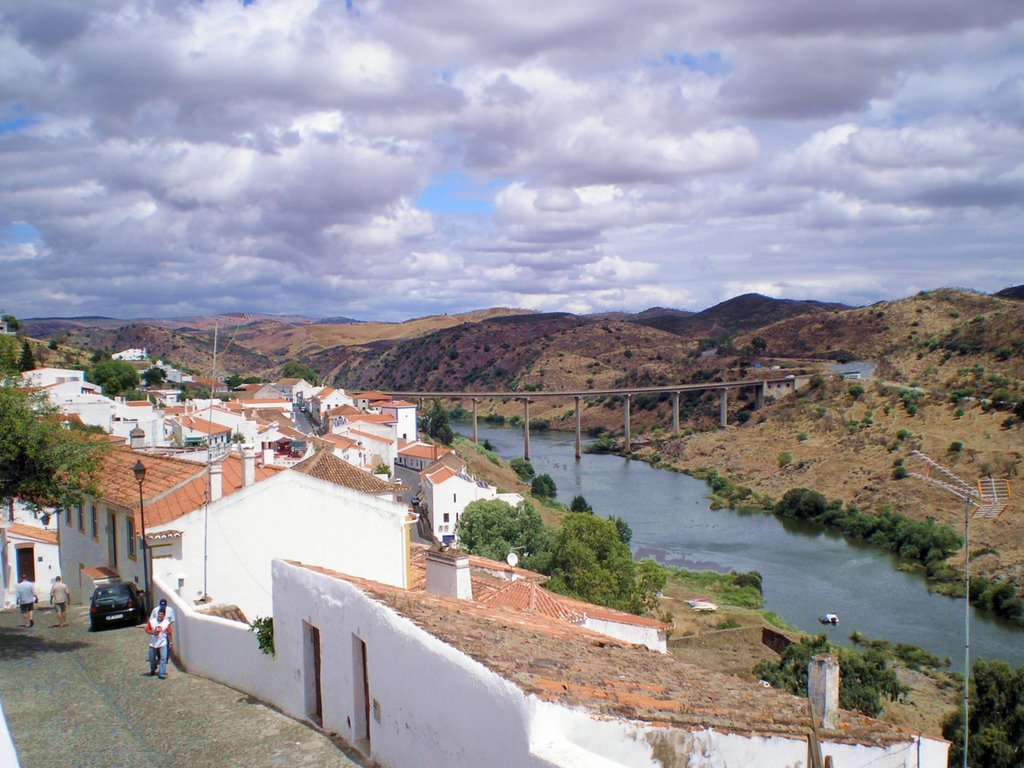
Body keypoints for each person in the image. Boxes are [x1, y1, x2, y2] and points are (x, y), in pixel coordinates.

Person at [145, 608, 170, 679]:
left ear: (164, 615)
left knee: (163, 658)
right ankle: (153, 669)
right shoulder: (152, 622)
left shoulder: (166, 623)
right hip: (153, 643)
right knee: (152, 658)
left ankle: (162, 673)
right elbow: (147, 629)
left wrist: (170, 642)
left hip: (163, 642)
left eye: (161, 614)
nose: (160, 615)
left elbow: (169, 632)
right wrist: (152, 632)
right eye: (159, 614)